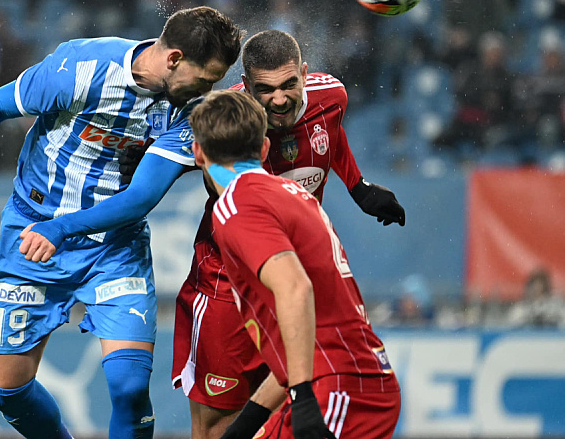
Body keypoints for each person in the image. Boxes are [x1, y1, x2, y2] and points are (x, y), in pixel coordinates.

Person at [21, 30, 405, 438]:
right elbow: (145, 188)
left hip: (296, 305)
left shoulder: (319, 110)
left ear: (305, 76)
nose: (278, 100)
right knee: (221, 423)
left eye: (289, 85)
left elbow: (328, 129)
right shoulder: (226, 123)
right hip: (228, 287)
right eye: (265, 91)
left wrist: (358, 186)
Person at [0, 6, 243, 439]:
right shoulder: (80, 67)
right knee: (5, 387)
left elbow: (140, 199)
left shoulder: (190, 110)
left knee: (129, 387)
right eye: (206, 78)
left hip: (114, 245)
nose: (209, 89)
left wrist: (62, 229)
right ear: (173, 59)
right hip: (30, 230)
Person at [187, 89, 401, 439]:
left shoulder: (237, 206)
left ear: (197, 153)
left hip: (334, 387)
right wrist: (246, 423)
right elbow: (305, 333)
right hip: (353, 379)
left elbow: (295, 288)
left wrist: (302, 398)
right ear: (264, 150)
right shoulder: (295, 195)